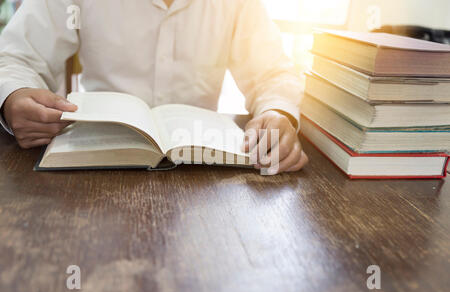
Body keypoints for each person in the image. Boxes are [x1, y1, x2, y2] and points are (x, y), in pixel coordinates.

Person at [0, 0, 308, 175]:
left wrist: (278, 111)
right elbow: (13, 56)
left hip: (202, 168)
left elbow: (273, 73)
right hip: (94, 163)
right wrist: (13, 96)